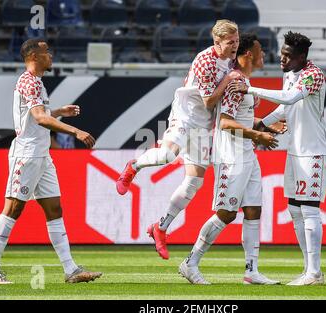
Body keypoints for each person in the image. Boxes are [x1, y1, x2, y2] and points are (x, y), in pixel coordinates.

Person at [116, 20, 277, 260]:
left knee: (194, 183)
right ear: (216, 42)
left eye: (235, 42)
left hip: (203, 125)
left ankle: (160, 228)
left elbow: (234, 86)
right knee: (168, 154)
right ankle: (133, 167)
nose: (234, 47)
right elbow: (209, 102)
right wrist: (229, 79)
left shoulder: (232, 61)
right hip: (186, 116)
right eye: (229, 43)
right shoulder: (205, 60)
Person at [0, 39, 102, 284]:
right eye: (46, 52)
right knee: (13, 208)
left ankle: (71, 270)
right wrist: (75, 131)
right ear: (34, 56)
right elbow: (39, 119)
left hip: (42, 155)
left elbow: (37, 114)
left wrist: (58, 112)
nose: (51, 55)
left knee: (54, 209)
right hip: (26, 154)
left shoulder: (36, 82)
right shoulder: (29, 81)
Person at [230, 31, 326, 286]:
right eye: (282, 53)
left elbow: (290, 97)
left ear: (301, 56)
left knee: (309, 209)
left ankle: (315, 273)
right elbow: (285, 107)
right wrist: (262, 126)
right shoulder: (290, 75)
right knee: (295, 209)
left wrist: (249, 89)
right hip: (296, 149)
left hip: (315, 149)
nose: (282, 59)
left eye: (288, 55)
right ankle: (310, 270)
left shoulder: (314, 75)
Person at [179, 33, 282, 285]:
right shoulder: (236, 83)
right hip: (231, 155)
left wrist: (263, 126)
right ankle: (190, 263)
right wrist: (257, 134)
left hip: (247, 152)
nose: (264, 56)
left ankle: (251, 271)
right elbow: (225, 123)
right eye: (260, 51)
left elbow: (240, 118)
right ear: (249, 54)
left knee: (253, 210)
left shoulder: (244, 82)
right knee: (226, 213)